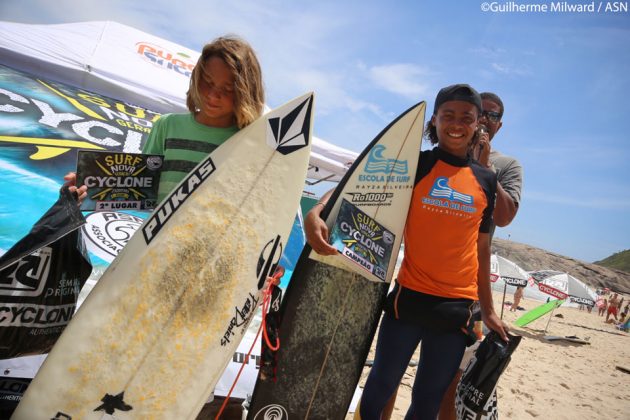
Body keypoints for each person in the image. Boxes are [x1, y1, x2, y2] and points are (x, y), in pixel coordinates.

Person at [306, 84, 509, 419]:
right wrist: (318, 210)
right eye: (448, 115)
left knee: (427, 400)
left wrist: (488, 310)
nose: (456, 123)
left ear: (477, 126)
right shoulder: (416, 165)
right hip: (408, 299)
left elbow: (482, 247)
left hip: (456, 307)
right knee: (379, 387)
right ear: (435, 120)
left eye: (466, 118)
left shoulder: (486, 180)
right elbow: (359, 186)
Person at [65, 35, 265, 204]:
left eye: (228, 89)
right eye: (208, 82)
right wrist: (88, 186)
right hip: (156, 245)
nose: (213, 94)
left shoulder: (249, 142)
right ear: (196, 77)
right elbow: (140, 188)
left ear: (246, 92)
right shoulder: (167, 126)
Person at [439, 91, 524, 420]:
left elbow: (504, 217)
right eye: (481, 113)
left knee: (453, 376)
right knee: (411, 372)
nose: (485, 119)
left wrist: (485, 165)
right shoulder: (445, 154)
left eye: (492, 115)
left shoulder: (507, 165)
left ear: (499, 125)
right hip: (426, 276)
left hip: (469, 287)